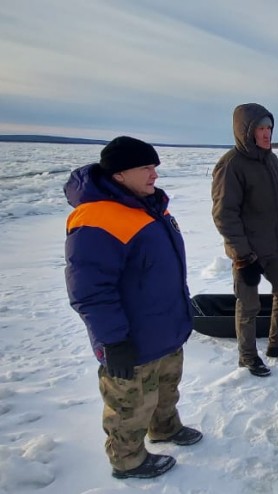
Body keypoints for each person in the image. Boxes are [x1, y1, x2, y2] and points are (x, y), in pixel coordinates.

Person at [64, 136, 202, 480]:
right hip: (130, 337)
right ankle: (127, 461)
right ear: (120, 174)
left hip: (165, 327)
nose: (154, 174)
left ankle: (166, 428)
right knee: (130, 404)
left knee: (166, 389)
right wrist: (112, 340)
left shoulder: (151, 205)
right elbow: (90, 290)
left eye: (154, 166)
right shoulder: (96, 219)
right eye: (145, 167)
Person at [211, 103, 278, 378]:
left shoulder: (271, 160)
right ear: (246, 132)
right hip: (248, 251)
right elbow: (224, 216)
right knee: (249, 306)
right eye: (260, 129)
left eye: (269, 128)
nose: (267, 134)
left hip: (273, 245)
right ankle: (248, 357)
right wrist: (242, 255)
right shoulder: (231, 165)